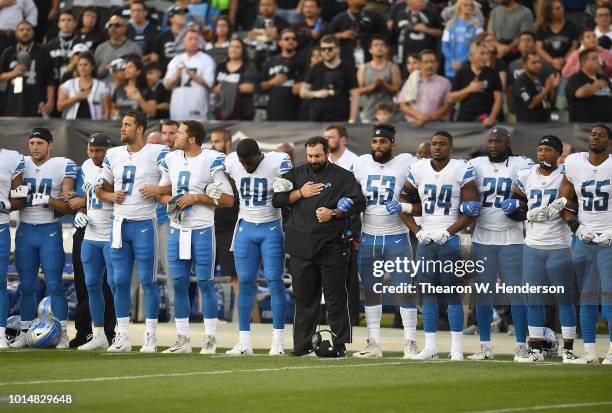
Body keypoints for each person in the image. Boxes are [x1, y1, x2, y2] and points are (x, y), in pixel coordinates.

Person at [272, 136, 366, 357]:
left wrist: (335, 213)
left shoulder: (343, 176)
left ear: (327, 154)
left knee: (335, 298)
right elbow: (277, 199)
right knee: (304, 299)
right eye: (310, 156)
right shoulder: (295, 175)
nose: (313, 159)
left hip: (332, 244)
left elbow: (359, 202)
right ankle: (302, 345)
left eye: (318, 156)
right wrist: (299, 193)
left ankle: (339, 345)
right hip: (301, 246)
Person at [155, 120, 234, 353]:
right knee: (178, 283)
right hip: (177, 229)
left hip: (202, 229)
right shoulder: (171, 159)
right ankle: (183, 339)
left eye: (179, 133)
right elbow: (162, 192)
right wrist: (171, 202)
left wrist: (196, 198)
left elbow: (228, 200)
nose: (174, 137)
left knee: (205, 283)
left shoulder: (211, 159)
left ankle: (210, 338)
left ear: (192, 138)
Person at [402, 131, 480, 361]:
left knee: (451, 291)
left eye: (442, 144)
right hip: (426, 238)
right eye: (434, 144)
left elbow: (472, 210)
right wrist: (418, 231)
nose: (437, 148)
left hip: (449, 237)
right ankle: (431, 346)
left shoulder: (460, 168)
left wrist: (449, 232)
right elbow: (402, 204)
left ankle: (456, 347)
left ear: (451, 147)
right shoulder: (418, 168)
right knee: (427, 292)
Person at [96, 111, 170, 353]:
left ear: (140, 128)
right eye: (122, 124)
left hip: (144, 224)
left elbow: (175, 182)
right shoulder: (113, 154)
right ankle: (123, 335)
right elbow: (101, 190)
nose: (122, 128)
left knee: (148, 281)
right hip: (119, 224)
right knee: (119, 281)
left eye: (127, 125)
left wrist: (158, 189)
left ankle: (150, 335)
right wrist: (110, 195)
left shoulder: (157, 152)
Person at [505, 135, 579, 363]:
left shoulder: (566, 175)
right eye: (540, 150)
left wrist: (563, 205)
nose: (543, 154)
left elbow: (578, 205)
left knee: (564, 299)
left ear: (558, 153)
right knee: (534, 298)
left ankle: (568, 349)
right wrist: (524, 212)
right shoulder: (525, 175)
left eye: (548, 150)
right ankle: (535, 349)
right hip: (532, 245)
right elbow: (514, 206)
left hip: (559, 245)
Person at [351, 124, 418, 358]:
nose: (378, 146)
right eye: (375, 142)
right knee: (371, 290)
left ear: (393, 144)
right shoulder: (360, 163)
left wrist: (405, 204)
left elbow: (421, 187)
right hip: (369, 236)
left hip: (397, 236)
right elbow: (351, 193)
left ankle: (410, 341)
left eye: (383, 142)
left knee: (404, 288)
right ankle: (373, 343)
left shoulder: (406, 162)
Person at [467, 127, 533, 361]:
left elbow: (533, 194)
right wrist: (466, 206)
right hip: (482, 236)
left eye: (498, 141)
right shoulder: (475, 165)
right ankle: (485, 346)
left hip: (512, 237)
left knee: (517, 292)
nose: (493, 145)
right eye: (490, 141)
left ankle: (521, 345)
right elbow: (462, 192)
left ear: (507, 142)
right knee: (484, 293)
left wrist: (519, 204)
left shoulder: (522, 164)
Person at [224, 139, 292, 355]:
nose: (246, 166)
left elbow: (293, 182)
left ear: (259, 154)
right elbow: (217, 177)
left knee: (274, 280)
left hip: (271, 226)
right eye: (242, 162)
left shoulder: (276, 161)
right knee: (244, 282)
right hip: (245, 227)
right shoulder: (232, 161)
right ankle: (244, 342)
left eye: (249, 161)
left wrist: (288, 185)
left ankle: (278, 341)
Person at [9, 128, 77, 349]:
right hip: (25, 230)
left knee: (55, 285)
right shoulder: (20, 163)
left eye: (40, 143)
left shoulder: (62, 164)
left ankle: (64, 332)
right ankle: (26, 332)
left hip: (49, 230)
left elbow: (68, 207)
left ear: (50, 145)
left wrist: (49, 199)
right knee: (27, 285)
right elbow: (10, 193)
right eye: (32, 143)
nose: (35, 147)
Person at [554, 124, 612, 364]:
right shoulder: (575, 163)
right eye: (593, 133)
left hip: (609, 238)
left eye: (601, 134)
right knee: (586, 296)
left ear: (609, 141)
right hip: (585, 238)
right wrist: (577, 226)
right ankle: (589, 352)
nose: (596, 136)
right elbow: (564, 203)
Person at [72, 133, 117, 350]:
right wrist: (81, 211)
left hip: (110, 231)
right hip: (90, 233)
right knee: (91, 285)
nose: (94, 154)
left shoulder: (118, 163)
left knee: (116, 284)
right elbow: (86, 196)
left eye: (98, 150)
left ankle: (119, 333)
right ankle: (98, 335)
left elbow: (125, 197)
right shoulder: (87, 165)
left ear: (108, 149)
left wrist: (105, 188)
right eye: (91, 150)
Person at [209, 128, 240, 327]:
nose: (214, 145)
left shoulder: (235, 167)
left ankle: (243, 320)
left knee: (238, 279)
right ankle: (206, 321)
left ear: (228, 143)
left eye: (218, 141)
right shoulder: (207, 166)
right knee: (206, 278)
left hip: (230, 229)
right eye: (212, 141)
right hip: (209, 227)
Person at [0, 20, 55, 117]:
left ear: (33, 32)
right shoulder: (9, 52)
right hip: (13, 101)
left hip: (37, 100)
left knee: (36, 131)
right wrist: (13, 74)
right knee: (14, 130)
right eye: (21, 30)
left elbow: (50, 80)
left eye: (28, 30)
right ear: (16, 33)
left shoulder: (43, 52)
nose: (25, 32)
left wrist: (50, 101)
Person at [300, 35, 359, 122]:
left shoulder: (347, 68)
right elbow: (303, 92)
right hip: (317, 118)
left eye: (330, 49)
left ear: (338, 49)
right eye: (323, 49)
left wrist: (352, 119)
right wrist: (316, 94)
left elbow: (355, 95)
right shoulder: (316, 68)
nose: (326, 51)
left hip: (340, 118)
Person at [0, 147, 25, 349]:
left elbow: (21, 200)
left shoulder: (11, 158)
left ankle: (0, 334)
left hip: (0, 225)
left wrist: (5, 204)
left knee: (0, 282)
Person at [164, 27, 216, 121]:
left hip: (197, 107)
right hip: (177, 107)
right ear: (183, 41)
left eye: (196, 39)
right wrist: (176, 76)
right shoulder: (176, 59)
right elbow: (167, 85)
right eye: (190, 39)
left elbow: (209, 83)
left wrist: (191, 74)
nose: (193, 42)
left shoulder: (206, 59)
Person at [449, 42, 503, 128]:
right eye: (482, 53)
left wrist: (491, 118)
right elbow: (451, 97)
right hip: (464, 121)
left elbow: (498, 99)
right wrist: (469, 89)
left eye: (487, 53)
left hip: (486, 121)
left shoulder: (493, 73)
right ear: (471, 56)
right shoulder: (462, 72)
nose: (486, 56)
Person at [260, 28, 307, 121]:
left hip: (295, 109)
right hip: (274, 109)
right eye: (287, 39)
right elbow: (260, 86)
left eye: (293, 39)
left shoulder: (304, 60)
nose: (290, 41)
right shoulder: (270, 61)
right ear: (280, 42)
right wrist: (272, 82)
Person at [398, 49, 452, 127]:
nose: (429, 65)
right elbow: (402, 104)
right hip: (413, 126)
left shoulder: (444, 82)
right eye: (426, 62)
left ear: (437, 64)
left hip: (437, 126)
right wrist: (419, 116)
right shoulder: (411, 80)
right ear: (420, 64)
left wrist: (428, 118)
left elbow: (448, 106)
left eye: (432, 62)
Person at [327, 0, 389, 68]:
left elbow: (387, 40)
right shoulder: (338, 19)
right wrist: (341, 35)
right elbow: (326, 39)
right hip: (346, 66)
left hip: (372, 66)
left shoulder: (375, 17)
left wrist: (384, 65)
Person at [356, 34, 401, 124]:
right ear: (370, 50)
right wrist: (374, 85)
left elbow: (397, 89)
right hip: (369, 112)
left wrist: (385, 84)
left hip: (388, 113)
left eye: (382, 45)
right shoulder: (363, 68)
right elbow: (358, 91)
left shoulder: (393, 67)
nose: (379, 48)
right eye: (376, 45)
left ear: (386, 49)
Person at [212, 38, 258, 120]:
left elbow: (249, 88)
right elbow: (214, 88)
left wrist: (225, 86)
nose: (234, 49)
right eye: (231, 47)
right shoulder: (220, 66)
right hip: (221, 110)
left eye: (237, 47)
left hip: (243, 112)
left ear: (243, 50)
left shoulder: (249, 66)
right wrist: (234, 87)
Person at [57, 51, 111, 120]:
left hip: (95, 128)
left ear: (92, 67)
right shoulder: (68, 84)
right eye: (80, 65)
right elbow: (60, 107)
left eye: (85, 65)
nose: (82, 68)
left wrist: (102, 129)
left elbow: (106, 111)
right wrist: (76, 97)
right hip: (72, 128)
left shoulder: (102, 86)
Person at [565, 48, 612, 122]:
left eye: (598, 58)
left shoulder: (603, 78)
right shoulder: (576, 78)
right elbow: (580, 93)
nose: (598, 61)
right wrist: (597, 85)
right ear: (584, 63)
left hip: (606, 126)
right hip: (584, 127)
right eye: (594, 59)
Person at [391, 0, 443, 65]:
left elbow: (442, 33)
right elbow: (392, 37)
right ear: (408, 1)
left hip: (426, 58)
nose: (422, 1)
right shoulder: (400, 14)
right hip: (404, 59)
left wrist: (427, 30)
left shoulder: (432, 13)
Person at [512, 51, 559, 122]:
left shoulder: (538, 79)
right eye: (533, 63)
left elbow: (548, 102)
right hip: (529, 126)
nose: (537, 65)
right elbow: (531, 104)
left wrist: (553, 87)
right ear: (524, 65)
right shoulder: (521, 81)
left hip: (544, 123)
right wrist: (546, 89)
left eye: (538, 62)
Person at [94, 13, 142, 83]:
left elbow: (140, 72)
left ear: (125, 28)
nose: (113, 28)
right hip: (104, 87)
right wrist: (104, 68)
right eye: (110, 26)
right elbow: (95, 73)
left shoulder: (134, 48)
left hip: (126, 88)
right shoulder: (101, 48)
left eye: (117, 25)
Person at [441, 0, 483, 79]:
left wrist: (462, 61)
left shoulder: (477, 24)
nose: (468, 7)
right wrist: (452, 61)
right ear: (459, 7)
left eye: (471, 5)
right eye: (465, 5)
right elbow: (445, 45)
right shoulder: (450, 23)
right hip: (451, 67)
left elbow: (478, 45)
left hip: (469, 65)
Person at [535, 0, 579, 73]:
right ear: (550, 13)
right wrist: (552, 61)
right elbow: (539, 48)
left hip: (568, 63)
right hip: (547, 64)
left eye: (561, 7)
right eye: (557, 9)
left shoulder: (571, 25)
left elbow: (575, 45)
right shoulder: (542, 28)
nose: (561, 10)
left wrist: (564, 60)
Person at [111, 55, 156, 119]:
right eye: (125, 67)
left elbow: (152, 113)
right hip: (120, 126)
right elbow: (113, 108)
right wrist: (115, 113)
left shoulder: (146, 90)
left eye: (130, 67)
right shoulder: (118, 89)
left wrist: (139, 99)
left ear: (138, 71)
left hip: (138, 126)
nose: (126, 70)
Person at [45, 9, 78, 89]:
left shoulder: (80, 44)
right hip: (53, 86)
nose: (66, 23)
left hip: (75, 86)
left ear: (75, 24)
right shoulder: (49, 45)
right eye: (63, 20)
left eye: (69, 20)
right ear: (58, 24)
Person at [150, 5, 188, 73]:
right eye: (180, 14)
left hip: (187, 75)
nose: (184, 16)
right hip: (166, 76)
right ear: (171, 18)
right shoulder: (161, 37)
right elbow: (154, 60)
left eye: (184, 14)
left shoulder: (190, 36)